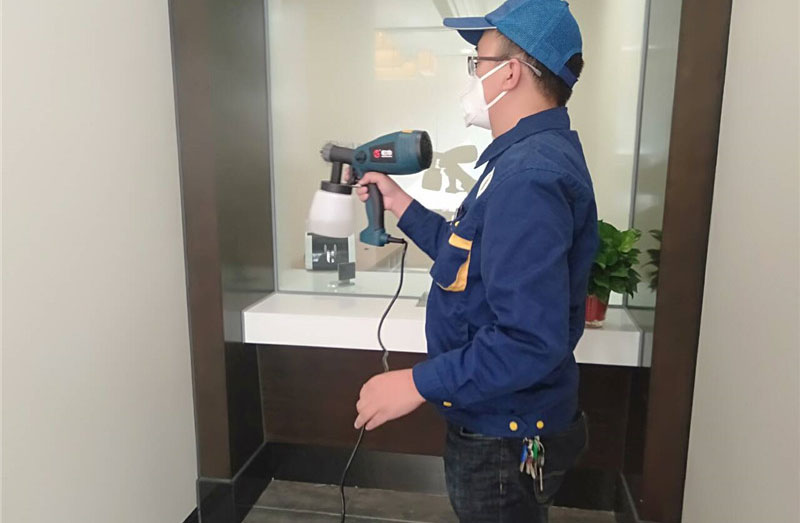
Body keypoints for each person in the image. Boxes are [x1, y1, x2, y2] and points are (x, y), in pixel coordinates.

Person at [353, 1, 599, 520]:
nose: (472, 79)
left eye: (477, 63)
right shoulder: (521, 159)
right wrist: (401, 204)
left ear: (510, 73)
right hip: (499, 420)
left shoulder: (529, 178)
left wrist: (416, 382)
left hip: (503, 438)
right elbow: (470, 259)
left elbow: (528, 340)